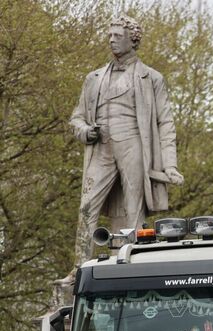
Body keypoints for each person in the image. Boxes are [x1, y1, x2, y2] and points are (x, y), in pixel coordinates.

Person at [70, 14, 184, 265]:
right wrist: (85, 131)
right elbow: (76, 118)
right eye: (109, 35)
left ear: (132, 40)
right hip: (101, 146)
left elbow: (166, 123)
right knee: (87, 208)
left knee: (134, 208)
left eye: (117, 36)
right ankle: (78, 269)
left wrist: (170, 165)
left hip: (133, 143)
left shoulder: (152, 78)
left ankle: (129, 261)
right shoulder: (94, 78)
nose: (111, 40)